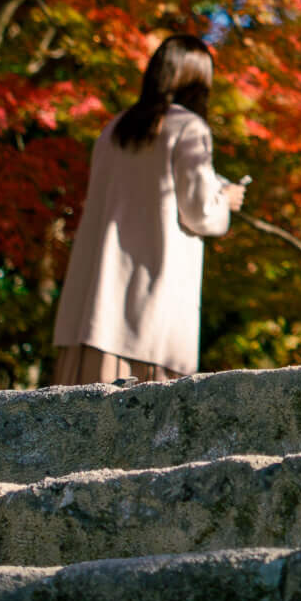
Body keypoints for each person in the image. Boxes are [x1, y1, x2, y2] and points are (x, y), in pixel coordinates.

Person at [49, 34, 247, 385]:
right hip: (150, 315)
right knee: (146, 410)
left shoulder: (114, 129)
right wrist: (226, 199)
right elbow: (200, 212)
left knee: (80, 408)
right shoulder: (188, 127)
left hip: (93, 308)